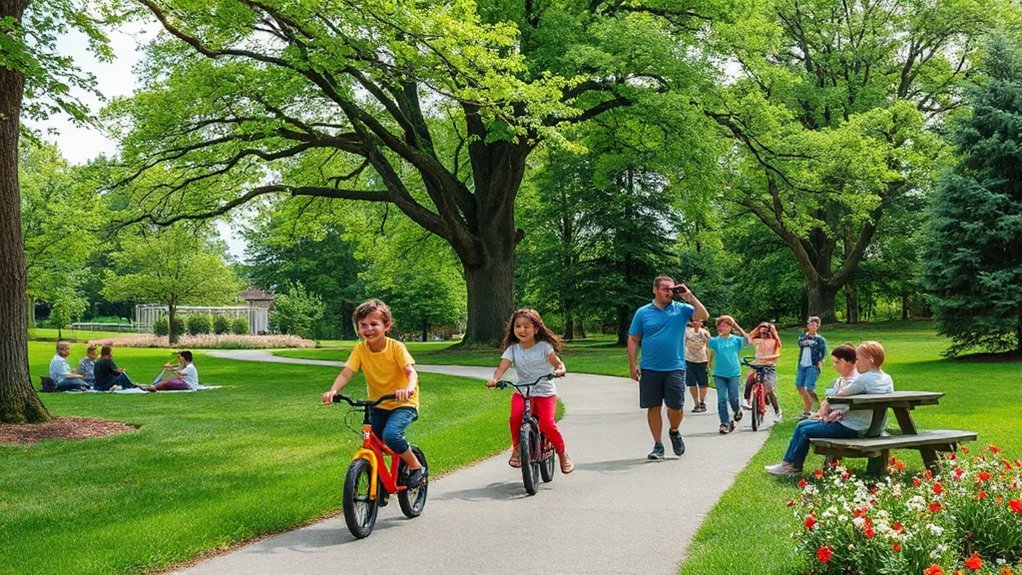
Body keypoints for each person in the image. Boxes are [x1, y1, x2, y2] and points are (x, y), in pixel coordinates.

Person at [321, 299, 426, 488]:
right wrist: (334, 391)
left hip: (403, 403)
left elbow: (411, 372)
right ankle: (381, 482)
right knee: (373, 441)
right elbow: (347, 372)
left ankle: (415, 465)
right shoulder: (360, 350)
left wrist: (408, 389)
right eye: (363, 325)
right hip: (377, 404)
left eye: (373, 324)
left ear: (386, 326)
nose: (368, 329)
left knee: (391, 436)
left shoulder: (396, 348)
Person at [765, 340, 894, 477]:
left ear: (870, 360)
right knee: (803, 425)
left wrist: (829, 403)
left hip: (853, 428)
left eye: (858, 359)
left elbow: (838, 397)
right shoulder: (886, 379)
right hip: (874, 427)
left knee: (804, 429)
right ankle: (788, 464)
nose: (855, 363)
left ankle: (792, 466)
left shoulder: (862, 380)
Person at [627, 275, 710, 460]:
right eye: (665, 289)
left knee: (676, 407)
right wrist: (632, 365)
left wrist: (689, 296)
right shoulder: (643, 312)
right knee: (653, 407)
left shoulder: (681, 310)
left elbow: (704, 315)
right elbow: (633, 339)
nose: (668, 292)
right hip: (650, 368)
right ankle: (658, 445)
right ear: (655, 289)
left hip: (675, 367)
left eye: (671, 289)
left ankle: (674, 431)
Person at [486, 309, 573, 474]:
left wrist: (560, 370)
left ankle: (562, 453)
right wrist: (495, 379)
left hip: (544, 392)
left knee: (547, 423)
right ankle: (518, 449)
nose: (522, 330)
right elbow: (502, 366)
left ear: (536, 329)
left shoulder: (544, 347)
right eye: (517, 326)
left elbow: (558, 364)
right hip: (523, 391)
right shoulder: (513, 349)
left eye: (526, 326)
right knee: (515, 418)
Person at [708, 315, 750, 434]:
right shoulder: (714, 341)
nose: (723, 327)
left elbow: (747, 340)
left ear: (731, 327)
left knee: (733, 397)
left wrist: (737, 326)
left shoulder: (736, 340)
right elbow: (711, 352)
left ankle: (737, 411)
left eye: (726, 325)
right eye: (721, 326)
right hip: (719, 373)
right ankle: (724, 423)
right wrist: (709, 364)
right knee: (722, 398)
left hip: (733, 373)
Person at [744, 322, 782, 422]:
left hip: (769, 367)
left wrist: (773, 330)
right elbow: (748, 337)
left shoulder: (774, 341)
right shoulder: (757, 340)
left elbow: (778, 353)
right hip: (758, 365)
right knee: (750, 379)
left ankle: (777, 411)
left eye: (765, 332)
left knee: (769, 389)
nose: (763, 334)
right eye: (761, 332)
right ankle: (747, 401)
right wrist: (758, 328)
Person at [794, 316, 828, 420]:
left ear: (817, 326)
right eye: (809, 324)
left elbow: (823, 353)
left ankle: (816, 409)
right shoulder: (803, 337)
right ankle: (808, 406)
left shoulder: (820, 339)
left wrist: (819, 364)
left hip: (813, 365)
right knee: (799, 385)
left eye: (813, 324)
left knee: (809, 387)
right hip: (802, 364)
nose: (810, 326)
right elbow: (800, 344)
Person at [685, 318, 711, 413]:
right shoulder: (687, 333)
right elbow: (682, 345)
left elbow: (709, 348)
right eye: (694, 321)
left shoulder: (705, 333)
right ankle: (695, 403)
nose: (696, 323)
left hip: (702, 360)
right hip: (689, 360)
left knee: (703, 383)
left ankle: (702, 402)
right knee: (692, 383)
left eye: (698, 321)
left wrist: (709, 362)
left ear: (701, 323)